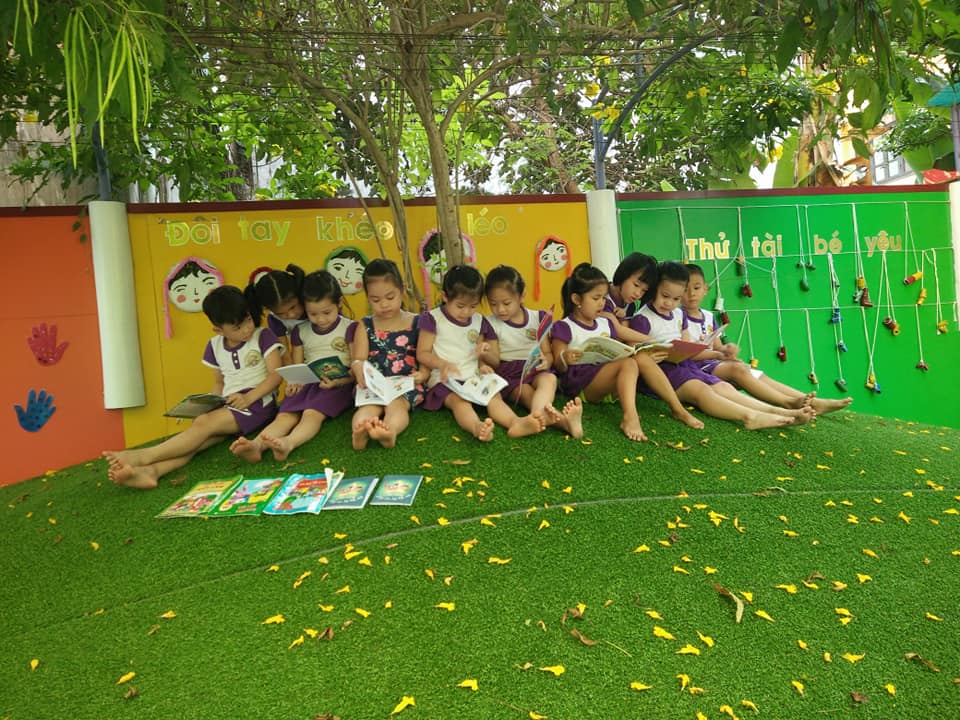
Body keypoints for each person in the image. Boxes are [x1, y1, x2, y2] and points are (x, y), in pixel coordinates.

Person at [103, 286, 283, 489]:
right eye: (237, 328)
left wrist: (248, 398)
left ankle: (144, 456)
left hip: (258, 404)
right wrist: (210, 404)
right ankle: (152, 471)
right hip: (231, 406)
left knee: (203, 424)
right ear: (218, 330)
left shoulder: (263, 336)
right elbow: (219, 382)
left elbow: (277, 375)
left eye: (248, 320)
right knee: (200, 437)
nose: (247, 329)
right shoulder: (214, 346)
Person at [628, 261, 814, 430]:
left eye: (676, 299)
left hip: (685, 365)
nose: (669, 303)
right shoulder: (643, 319)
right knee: (702, 391)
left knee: (724, 387)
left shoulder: (679, 314)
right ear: (654, 289)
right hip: (662, 372)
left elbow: (686, 345)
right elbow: (634, 354)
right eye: (665, 296)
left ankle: (781, 412)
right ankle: (750, 417)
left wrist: (704, 350)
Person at [683, 263, 853, 415]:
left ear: (705, 289)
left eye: (696, 288)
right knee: (738, 369)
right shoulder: (679, 317)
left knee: (756, 373)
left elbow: (717, 347)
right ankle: (788, 403)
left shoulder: (708, 316)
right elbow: (687, 355)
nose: (691, 294)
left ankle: (812, 402)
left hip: (713, 364)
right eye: (685, 289)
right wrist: (719, 355)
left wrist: (727, 351)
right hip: (695, 368)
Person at [231, 271, 355, 463]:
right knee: (285, 415)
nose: (290, 315)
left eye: (293, 308)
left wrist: (341, 381)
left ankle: (289, 442)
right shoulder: (299, 330)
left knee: (311, 413)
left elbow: (355, 363)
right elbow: (293, 360)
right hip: (308, 379)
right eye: (313, 314)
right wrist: (293, 380)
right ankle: (256, 445)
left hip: (336, 381)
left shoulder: (348, 326)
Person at [416, 264, 545, 442]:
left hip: (473, 376)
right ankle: (476, 427)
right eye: (460, 306)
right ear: (445, 297)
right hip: (444, 378)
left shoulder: (479, 321)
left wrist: (483, 364)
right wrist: (441, 364)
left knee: (494, 396)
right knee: (459, 403)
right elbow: (422, 353)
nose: (466, 312)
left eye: (473, 306)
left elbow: (481, 356)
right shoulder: (432, 318)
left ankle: (515, 422)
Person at [549, 263, 647, 442]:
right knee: (628, 363)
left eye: (603, 297)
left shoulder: (605, 323)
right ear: (577, 299)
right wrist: (565, 357)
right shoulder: (564, 326)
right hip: (582, 385)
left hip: (606, 381)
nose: (602, 303)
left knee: (639, 359)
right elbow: (558, 365)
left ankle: (676, 407)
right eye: (596, 298)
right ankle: (630, 417)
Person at [485, 264, 583, 438]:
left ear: (522, 296)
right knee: (525, 393)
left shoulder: (537, 318)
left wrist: (547, 361)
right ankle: (564, 423)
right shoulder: (490, 323)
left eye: (506, 303)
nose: (500, 309)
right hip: (510, 373)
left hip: (535, 367)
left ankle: (537, 414)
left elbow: (547, 353)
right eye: (493, 304)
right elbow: (495, 359)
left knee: (549, 379)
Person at [350, 258, 430, 450]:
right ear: (368, 297)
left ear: (402, 290)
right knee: (368, 408)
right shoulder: (365, 325)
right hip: (374, 384)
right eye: (376, 300)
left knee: (397, 405)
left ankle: (390, 431)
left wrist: (423, 373)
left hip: (404, 383)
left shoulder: (417, 322)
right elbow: (358, 358)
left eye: (390, 297)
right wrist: (358, 367)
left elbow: (425, 354)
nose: (384, 305)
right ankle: (360, 432)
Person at [245, 264, 307, 363]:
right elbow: (285, 355)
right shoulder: (275, 319)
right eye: (281, 313)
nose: (291, 315)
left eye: (293, 307)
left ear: (300, 294)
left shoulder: (314, 304)